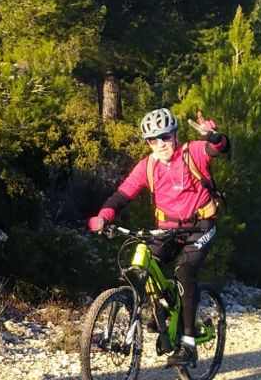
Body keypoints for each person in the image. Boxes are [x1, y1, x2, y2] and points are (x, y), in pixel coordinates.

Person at [86, 107, 229, 363]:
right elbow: (122, 194)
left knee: (184, 272)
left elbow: (220, 147)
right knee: (142, 264)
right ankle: (161, 308)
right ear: (148, 142)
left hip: (201, 226)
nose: (160, 143)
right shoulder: (148, 166)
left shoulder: (192, 152)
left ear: (175, 135)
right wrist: (104, 216)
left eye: (165, 136)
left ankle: (188, 344)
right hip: (167, 229)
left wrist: (212, 135)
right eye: (153, 139)